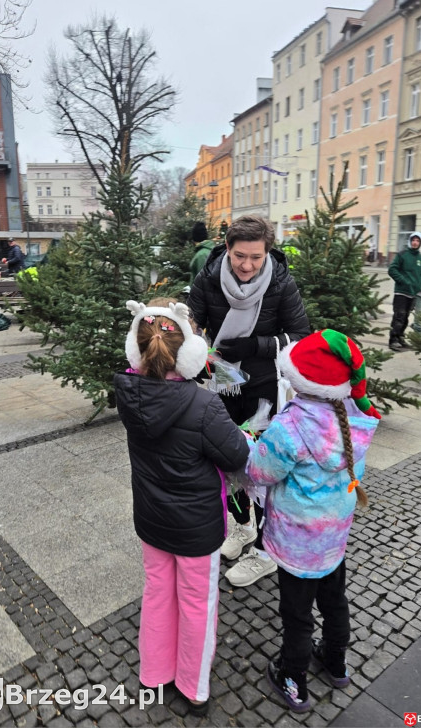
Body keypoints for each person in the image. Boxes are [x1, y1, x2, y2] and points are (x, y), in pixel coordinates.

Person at [113, 298, 249, 716]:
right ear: (190, 353)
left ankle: (154, 674)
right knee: (196, 603)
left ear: (136, 350)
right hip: (196, 529)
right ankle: (194, 687)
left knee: (156, 594)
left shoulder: (129, 394)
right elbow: (237, 455)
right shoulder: (203, 405)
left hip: (152, 522)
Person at [244, 330, 381, 712]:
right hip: (333, 539)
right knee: (335, 601)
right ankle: (335, 660)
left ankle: (292, 677)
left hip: (296, 543)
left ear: (301, 380)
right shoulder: (355, 416)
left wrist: (256, 442)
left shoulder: (291, 427)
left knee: (297, 614)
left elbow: (259, 472)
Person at [188, 214, 311, 587]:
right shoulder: (208, 279)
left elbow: (300, 335)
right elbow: (190, 328)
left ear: (267, 253)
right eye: (240, 255)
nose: (246, 265)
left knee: (265, 469)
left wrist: (256, 346)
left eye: (256, 257)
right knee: (227, 464)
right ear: (227, 248)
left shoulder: (280, 282)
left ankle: (266, 551)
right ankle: (242, 527)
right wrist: (196, 359)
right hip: (222, 384)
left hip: (262, 388)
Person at [388, 231, 421, 351]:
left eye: (418, 241)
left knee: (406, 317)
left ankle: (400, 338)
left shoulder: (420, 258)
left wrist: (419, 284)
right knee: (399, 316)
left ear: (420, 243)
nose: (415, 242)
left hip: (413, 293)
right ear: (410, 241)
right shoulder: (402, 254)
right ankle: (393, 340)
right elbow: (392, 269)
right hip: (401, 292)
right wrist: (403, 281)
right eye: (413, 240)